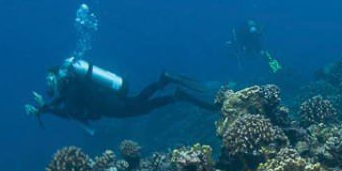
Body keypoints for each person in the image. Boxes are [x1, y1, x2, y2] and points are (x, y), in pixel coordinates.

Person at [26, 58, 218, 130]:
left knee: (140, 108)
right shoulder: (70, 87)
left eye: (50, 80)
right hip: (109, 101)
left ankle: (175, 96)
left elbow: (65, 111)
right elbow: (59, 104)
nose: (49, 84)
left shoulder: (71, 88)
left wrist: (46, 108)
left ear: (58, 76)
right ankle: (164, 80)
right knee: (139, 101)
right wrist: (41, 110)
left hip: (108, 105)